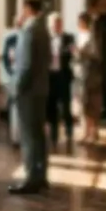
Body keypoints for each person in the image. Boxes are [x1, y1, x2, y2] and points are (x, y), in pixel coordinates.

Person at [8, 0, 51, 194]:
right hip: (40, 89)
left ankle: (31, 178)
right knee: (38, 135)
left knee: (28, 136)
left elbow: (25, 66)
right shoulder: (42, 28)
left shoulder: (29, 30)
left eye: (19, 7)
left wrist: (15, 89)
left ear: (26, 8)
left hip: (28, 92)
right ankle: (40, 175)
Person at [72, 12, 103, 144]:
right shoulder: (80, 36)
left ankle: (91, 132)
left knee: (90, 104)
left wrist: (81, 52)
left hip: (89, 75)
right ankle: (89, 132)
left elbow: (96, 55)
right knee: (84, 103)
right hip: (80, 74)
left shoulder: (91, 36)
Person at [46, 11, 76, 148]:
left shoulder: (69, 37)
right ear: (50, 25)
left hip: (63, 76)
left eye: (59, 23)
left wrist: (71, 51)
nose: (56, 26)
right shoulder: (45, 38)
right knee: (51, 107)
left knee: (66, 107)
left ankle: (69, 134)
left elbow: (72, 54)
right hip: (50, 77)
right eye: (54, 24)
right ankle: (54, 136)